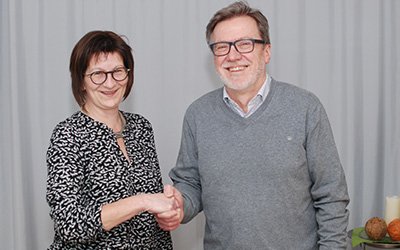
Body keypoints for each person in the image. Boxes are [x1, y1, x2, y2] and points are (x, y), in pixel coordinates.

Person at [157, 1, 350, 249]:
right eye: (221, 47)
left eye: (245, 44)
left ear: (266, 51)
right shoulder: (197, 114)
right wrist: (179, 204)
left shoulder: (305, 107)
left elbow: (331, 194)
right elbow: (191, 184)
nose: (233, 55)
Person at [46, 30, 177, 249]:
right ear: (81, 82)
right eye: (98, 74)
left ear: (128, 74)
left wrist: (167, 215)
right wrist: (142, 201)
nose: (110, 83)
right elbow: (68, 224)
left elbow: (153, 220)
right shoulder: (68, 134)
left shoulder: (141, 127)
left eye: (117, 71)